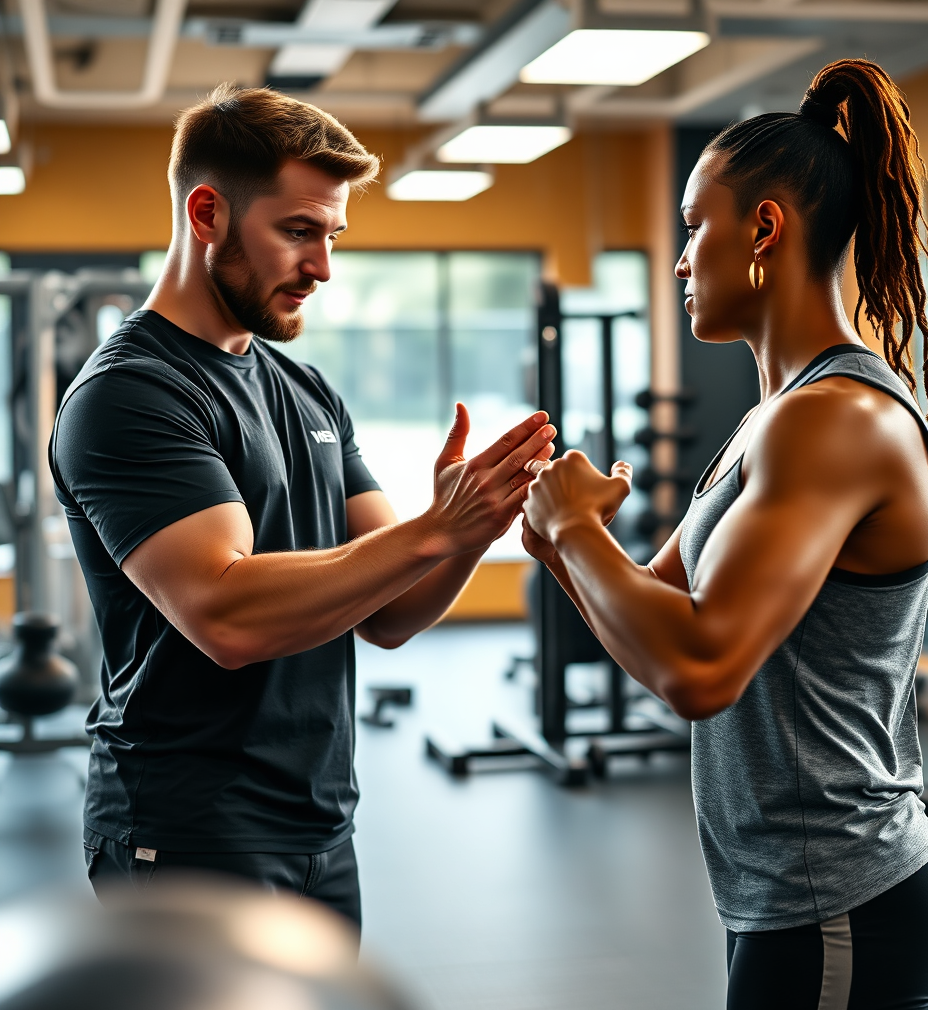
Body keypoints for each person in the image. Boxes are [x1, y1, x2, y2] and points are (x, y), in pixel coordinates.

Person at [49, 84, 554, 929]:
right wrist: (433, 528)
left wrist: (471, 530)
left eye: (331, 236)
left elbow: (391, 613)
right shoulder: (132, 393)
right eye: (297, 231)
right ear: (207, 213)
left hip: (320, 825)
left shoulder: (305, 388)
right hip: (190, 839)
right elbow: (227, 615)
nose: (322, 267)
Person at [521, 59, 928, 1010]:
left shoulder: (832, 423)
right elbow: (653, 612)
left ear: (763, 230)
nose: (680, 260)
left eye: (692, 230)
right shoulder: (773, 420)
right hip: (787, 894)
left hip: (837, 897)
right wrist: (556, 532)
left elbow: (699, 666)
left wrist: (573, 531)